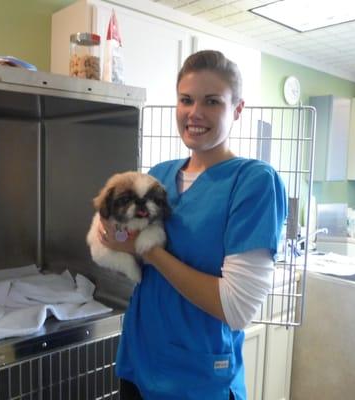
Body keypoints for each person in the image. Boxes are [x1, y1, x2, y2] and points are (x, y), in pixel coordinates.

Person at [98, 50, 287, 400]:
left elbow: (236, 308)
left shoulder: (253, 182)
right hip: (138, 364)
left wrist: (148, 252)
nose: (195, 113)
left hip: (198, 378)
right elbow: (136, 265)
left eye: (212, 101)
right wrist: (115, 240)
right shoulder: (158, 177)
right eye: (186, 100)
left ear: (238, 109)